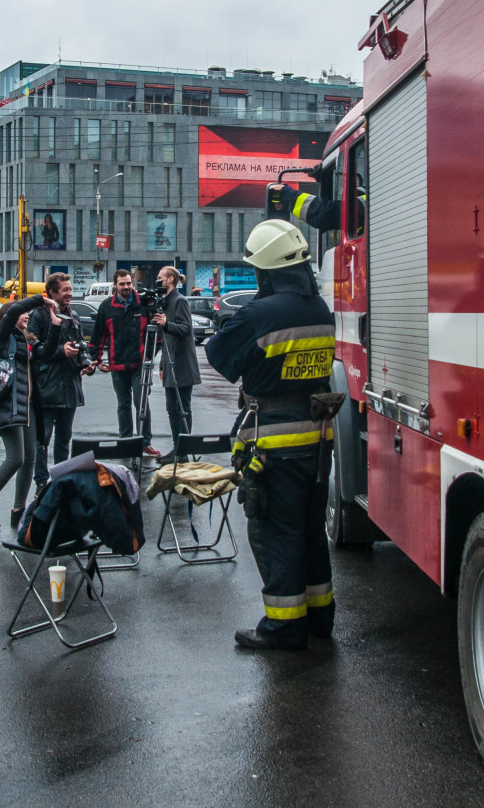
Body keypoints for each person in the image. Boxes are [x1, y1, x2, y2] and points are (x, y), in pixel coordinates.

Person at [205, 219, 337, 651]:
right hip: (318, 442)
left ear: (264, 271)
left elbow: (220, 357)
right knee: (311, 530)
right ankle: (320, 617)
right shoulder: (320, 310)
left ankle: (283, 627)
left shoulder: (259, 314)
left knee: (276, 533)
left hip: (276, 446)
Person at [0, 296, 43, 530]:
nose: (27, 316)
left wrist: (53, 322)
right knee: (16, 458)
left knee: (30, 459)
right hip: (9, 406)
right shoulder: (2, 338)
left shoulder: (24, 340)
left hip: (27, 405)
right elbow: (15, 308)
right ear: (9, 319)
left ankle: (19, 510)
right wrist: (41, 299)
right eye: (24, 314)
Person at [26, 273, 93, 483]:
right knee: (42, 440)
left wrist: (86, 363)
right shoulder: (38, 315)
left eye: (70, 289)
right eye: (65, 290)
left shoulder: (73, 315)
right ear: (52, 293)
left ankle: (61, 479)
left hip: (70, 387)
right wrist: (60, 352)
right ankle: (41, 482)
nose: (69, 294)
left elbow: (81, 345)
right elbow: (34, 350)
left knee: (64, 439)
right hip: (46, 388)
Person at [88, 269, 160, 459]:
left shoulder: (143, 305)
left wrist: (150, 355)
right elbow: (98, 336)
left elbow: (156, 334)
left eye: (129, 283)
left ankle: (145, 443)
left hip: (139, 366)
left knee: (141, 403)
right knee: (124, 404)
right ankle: (125, 441)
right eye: (122, 284)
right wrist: (96, 359)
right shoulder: (106, 307)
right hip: (117, 366)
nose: (126, 287)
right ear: (115, 285)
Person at [151, 266, 200, 447]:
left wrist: (166, 323)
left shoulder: (180, 301)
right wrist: (162, 367)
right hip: (170, 363)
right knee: (172, 409)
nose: (157, 281)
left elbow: (185, 329)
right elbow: (165, 341)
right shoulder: (164, 302)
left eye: (160, 277)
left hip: (183, 363)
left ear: (170, 279)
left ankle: (183, 451)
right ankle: (176, 448)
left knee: (182, 408)